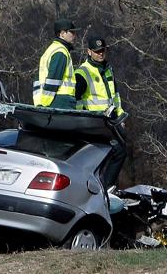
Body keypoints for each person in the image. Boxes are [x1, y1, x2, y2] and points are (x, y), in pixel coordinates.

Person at [75, 37, 127, 188]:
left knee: (119, 151)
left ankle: (105, 188)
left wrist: (120, 116)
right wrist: (84, 121)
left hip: (111, 122)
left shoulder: (107, 69)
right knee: (117, 151)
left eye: (102, 50)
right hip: (94, 124)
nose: (100, 54)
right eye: (97, 51)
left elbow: (115, 96)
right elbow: (76, 100)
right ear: (89, 52)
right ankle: (104, 189)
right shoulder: (83, 72)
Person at [33, 18, 79, 109]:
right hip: (60, 101)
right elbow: (53, 80)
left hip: (51, 100)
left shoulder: (51, 50)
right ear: (62, 34)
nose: (74, 35)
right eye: (72, 32)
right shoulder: (60, 52)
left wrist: (39, 103)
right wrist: (44, 104)